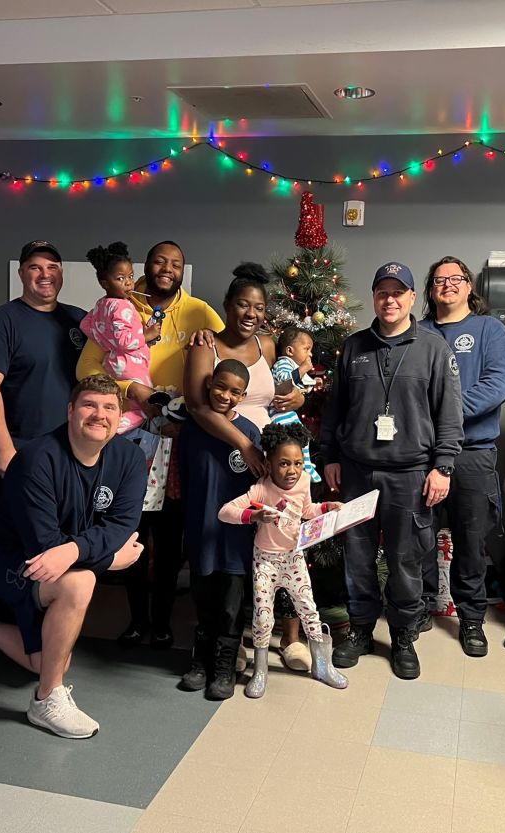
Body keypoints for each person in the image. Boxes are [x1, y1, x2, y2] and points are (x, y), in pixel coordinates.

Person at [0, 375, 147, 738]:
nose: (100, 415)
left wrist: (77, 549)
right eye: (89, 405)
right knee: (80, 584)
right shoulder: (35, 459)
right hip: (6, 556)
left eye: (109, 408)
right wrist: (106, 559)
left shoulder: (129, 457)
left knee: (44, 660)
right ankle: (47, 699)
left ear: (119, 416)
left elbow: (123, 524)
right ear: (71, 410)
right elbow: (44, 546)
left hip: (59, 556)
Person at [76, 241, 223, 651]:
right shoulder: (119, 303)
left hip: (178, 439)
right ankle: (137, 621)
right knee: (131, 532)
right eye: (160, 260)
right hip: (131, 440)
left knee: (171, 535)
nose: (167, 268)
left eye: (176, 263)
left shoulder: (199, 311)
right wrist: (137, 391)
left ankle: (161, 623)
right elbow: (86, 367)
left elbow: (233, 353)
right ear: (145, 265)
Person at [322, 262, 464, 680]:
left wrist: (443, 467)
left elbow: (449, 414)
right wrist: (329, 454)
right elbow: (335, 408)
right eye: (382, 292)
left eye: (398, 292)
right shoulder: (354, 347)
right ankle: (361, 631)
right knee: (358, 557)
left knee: (405, 560)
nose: (390, 300)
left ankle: (403, 637)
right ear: (374, 297)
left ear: (412, 298)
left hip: (411, 474)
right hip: (356, 472)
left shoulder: (434, 348)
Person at [184, 263, 311, 670]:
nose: (251, 314)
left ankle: (233, 639)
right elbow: (199, 406)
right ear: (227, 306)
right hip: (218, 455)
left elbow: (285, 389)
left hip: (261, 465)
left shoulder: (269, 346)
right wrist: (244, 444)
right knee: (210, 537)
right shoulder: (206, 344)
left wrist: (299, 400)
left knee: (249, 547)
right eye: (242, 305)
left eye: (258, 307)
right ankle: (212, 640)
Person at [417, 257, 505, 657]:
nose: (447, 285)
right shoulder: (417, 331)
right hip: (420, 454)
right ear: (429, 289)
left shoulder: (490, 330)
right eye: (439, 280)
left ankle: (472, 619)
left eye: (456, 278)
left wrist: (445, 411)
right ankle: (421, 607)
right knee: (418, 535)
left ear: (469, 286)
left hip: (472, 454)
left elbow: (499, 384)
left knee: (471, 540)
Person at [218, 422, 348, 698]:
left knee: (309, 611)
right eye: (284, 464)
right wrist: (253, 515)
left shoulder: (302, 482)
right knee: (263, 617)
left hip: (294, 558)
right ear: (269, 462)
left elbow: (307, 509)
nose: (292, 471)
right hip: (265, 561)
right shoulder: (260, 490)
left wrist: (327, 507)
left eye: (298, 463)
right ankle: (261, 671)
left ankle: (322, 666)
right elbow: (225, 512)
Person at [177, 359, 261, 700]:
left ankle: (225, 665)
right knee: (203, 598)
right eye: (220, 386)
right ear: (209, 382)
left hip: (235, 539)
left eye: (234, 391)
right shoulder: (192, 426)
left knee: (230, 603)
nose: (225, 395)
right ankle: (201, 661)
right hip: (200, 530)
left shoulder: (250, 436)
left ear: (242, 396)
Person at [0, 240, 86, 479]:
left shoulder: (80, 320)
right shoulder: (0, 322)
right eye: (35, 267)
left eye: (53, 267)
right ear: (21, 273)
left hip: (76, 448)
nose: (45, 274)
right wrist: (4, 448)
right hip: (23, 449)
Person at [80, 241, 161, 434]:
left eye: (131, 276)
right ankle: (115, 426)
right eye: (120, 278)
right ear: (104, 282)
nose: (128, 283)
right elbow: (125, 341)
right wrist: (146, 335)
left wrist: (106, 342)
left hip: (113, 363)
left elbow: (86, 325)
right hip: (130, 366)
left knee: (122, 403)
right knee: (145, 408)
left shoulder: (101, 304)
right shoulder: (122, 306)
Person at [268, 327, 321, 483]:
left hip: (286, 412)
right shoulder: (283, 363)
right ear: (290, 350)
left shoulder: (291, 366)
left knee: (301, 437)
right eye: (306, 349)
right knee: (298, 439)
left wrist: (312, 382)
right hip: (279, 413)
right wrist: (304, 368)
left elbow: (300, 383)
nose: (310, 354)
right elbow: (286, 380)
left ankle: (306, 466)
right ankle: (305, 468)